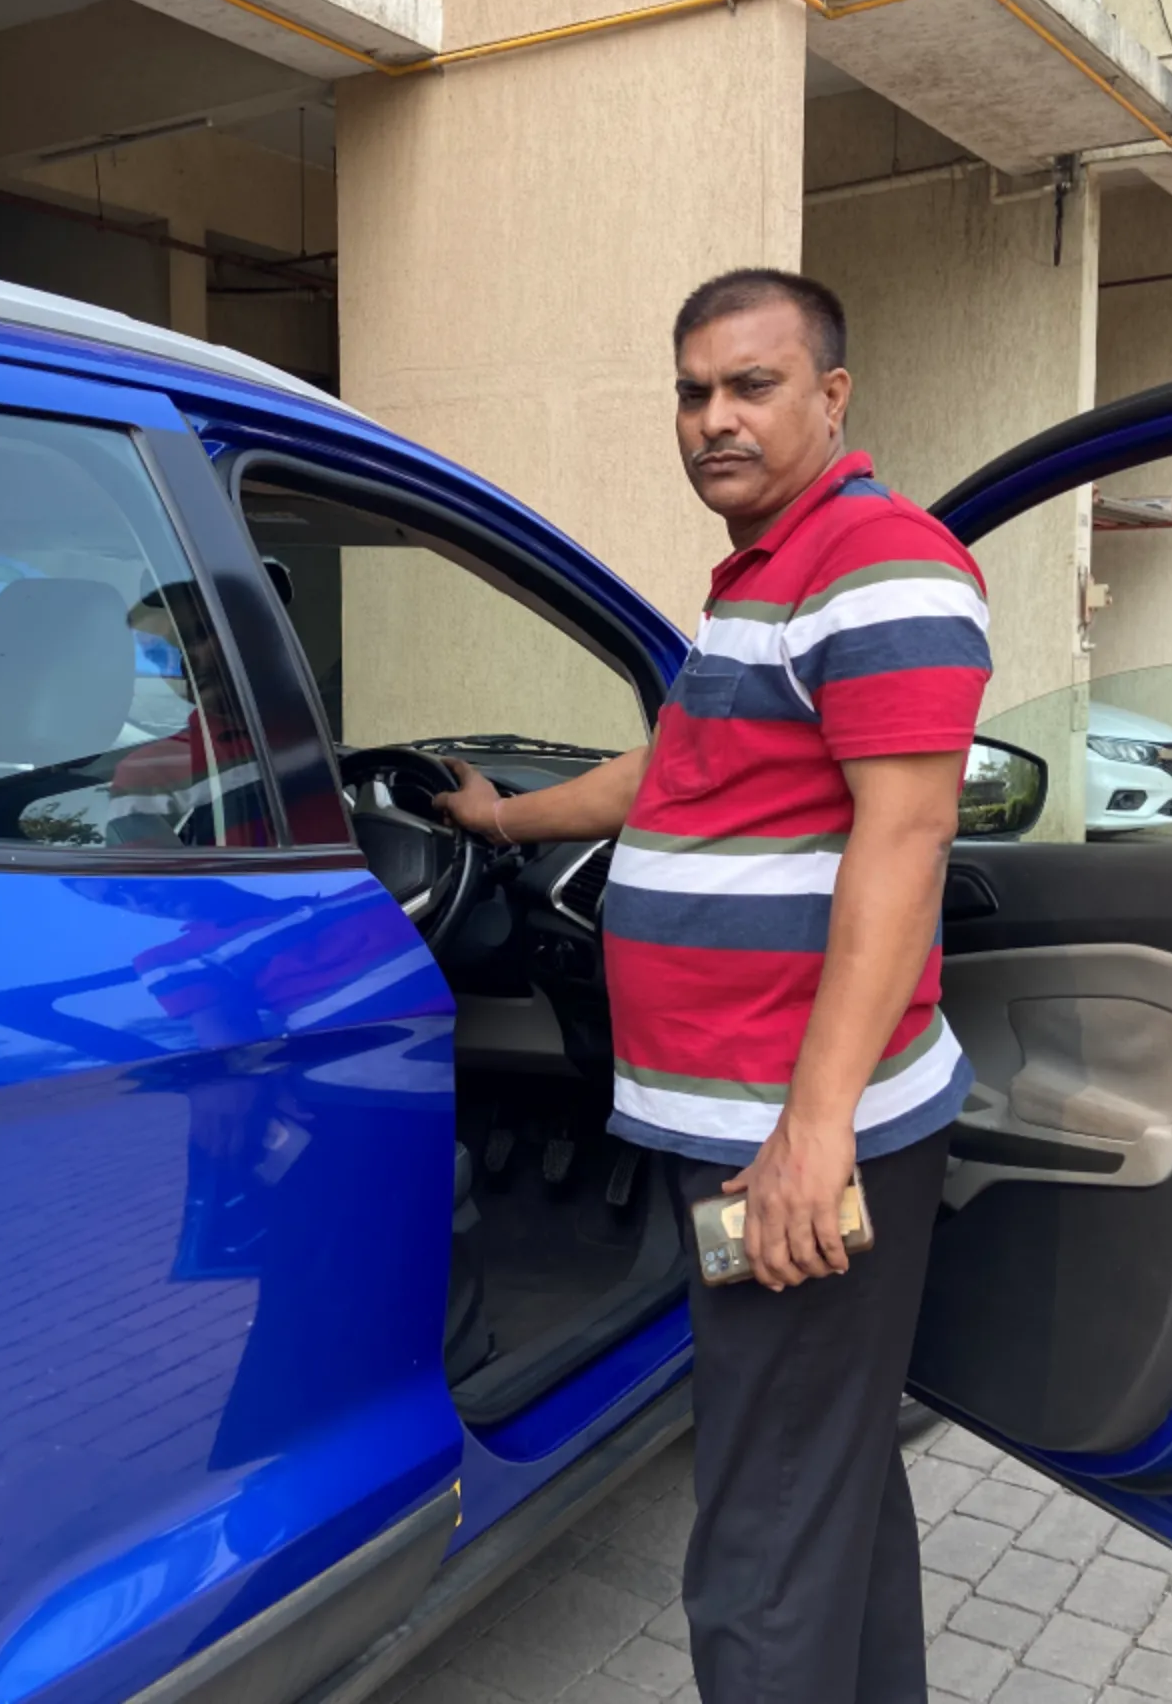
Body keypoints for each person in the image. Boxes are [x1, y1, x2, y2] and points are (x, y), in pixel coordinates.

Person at [434, 269, 990, 1703]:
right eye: (694, 392)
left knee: (757, 1541)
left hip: (792, 1148)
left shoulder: (881, 565)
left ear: (832, 396)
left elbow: (906, 835)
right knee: (830, 1479)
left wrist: (812, 1136)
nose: (715, 420)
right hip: (737, 1133)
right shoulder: (761, 579)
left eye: (752, 386)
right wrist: (503, 821)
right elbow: (668, 779)